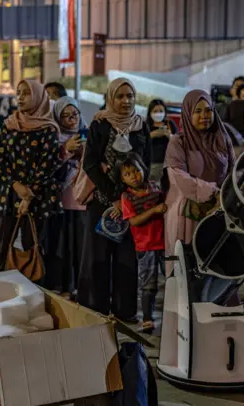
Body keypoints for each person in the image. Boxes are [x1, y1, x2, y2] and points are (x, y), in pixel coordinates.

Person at [77, 78, 152, 320]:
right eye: (119, 96)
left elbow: (147, 164)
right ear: (110, 98)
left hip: (132, 206)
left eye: (129, 95)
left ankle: (125, 312)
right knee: (97, 258)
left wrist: (132, 199)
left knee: (127, 259)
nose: (125, 101)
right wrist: (113, 198)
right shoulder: (100, 124)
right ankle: (95, 311)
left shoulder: (141, 126)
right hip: (102, 202)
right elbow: (90, 164)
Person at [0, 80, 61, 277]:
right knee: (3, 241)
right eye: (18, 93)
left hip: (38, 196)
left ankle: (36, 291)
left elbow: (48, 165)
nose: (20, 97)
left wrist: (28, 196)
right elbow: (1, 163)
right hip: (10, 193)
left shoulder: (48, 129)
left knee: (34, 244)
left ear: (38, 97)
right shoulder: (9, 125)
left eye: (26, 93)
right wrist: (16, 185)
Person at [163, 89, 235, 275]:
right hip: (188, 213)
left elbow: (233, 172)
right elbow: (178, 177)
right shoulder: (178, 143)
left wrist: (225, 196)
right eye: (198, 111)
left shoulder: (222, 139)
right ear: (187, 113)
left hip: (219, 211)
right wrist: (213, 192)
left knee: (219, 269)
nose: (205, 115)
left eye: (209, 110)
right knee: (188, 271)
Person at [117, 152, 167, 333]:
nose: (134, 177)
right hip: (145, 247)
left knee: (172, 279)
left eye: (136, 171)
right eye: (127, 174)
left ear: (143, 169)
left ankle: (174, 314)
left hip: (164, 243)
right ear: (122, 178)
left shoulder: (155, 188)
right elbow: (134, 221)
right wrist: (154, 210)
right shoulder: (127, 197)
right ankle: (147, 318)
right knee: (148, 284)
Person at [45, 96, 87, 298]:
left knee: (80, 245)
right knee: (62, 245)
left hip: (82, 200)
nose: (72, 120)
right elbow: (46, 167)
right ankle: (62, 286)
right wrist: (65, 150)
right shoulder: (53, 137)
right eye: (66, 116)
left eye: (75, 115)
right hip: (60, 200)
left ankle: (80, 286)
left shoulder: (87, 134)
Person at [146, 99, 178, 181]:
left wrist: (169, 135)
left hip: (169, 164)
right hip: (152, 164)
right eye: (155, 111)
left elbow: (179, 142)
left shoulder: (170, 124)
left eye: (161, 111)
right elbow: (140, 143)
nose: (158, 114)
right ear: (150, 112)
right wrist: (152, 135)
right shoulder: (146, 126)